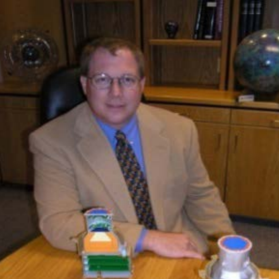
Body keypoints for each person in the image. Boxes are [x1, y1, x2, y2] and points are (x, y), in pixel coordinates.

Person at [29, 37, 234, 259]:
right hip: (109, 258)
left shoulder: (180, 129)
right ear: (85, 84)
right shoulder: (51, 141)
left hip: (179, 249)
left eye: (127, 79)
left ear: (141, 84)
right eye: (102, 79)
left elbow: (201, 196)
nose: (116, 92)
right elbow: (58, 222)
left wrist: (229, 250)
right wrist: (147, 238)